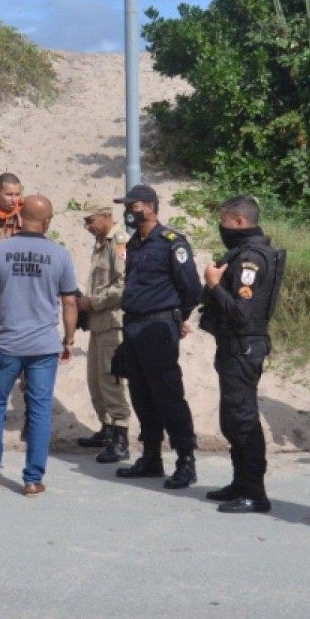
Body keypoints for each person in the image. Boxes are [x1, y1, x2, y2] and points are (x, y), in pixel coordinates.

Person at [0, 195, 78, 497]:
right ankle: (33, 480)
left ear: (19, 215)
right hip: (43, 345)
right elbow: (69, 301)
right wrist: (69, 338)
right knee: (39, 409)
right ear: (48, 221)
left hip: (8, 343)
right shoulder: (60, 255)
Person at [112, 184, 203, 490]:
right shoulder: (136, 243)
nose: (129, 211)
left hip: (159, 327)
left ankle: (185, 460)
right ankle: (151, 456)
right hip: (134, 326)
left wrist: (178, 316)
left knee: (168, 394)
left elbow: (191, 287)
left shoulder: (171, 243)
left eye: (133, 206)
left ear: (150, 207)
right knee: (140, 393)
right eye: (127, 206)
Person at [199, 195, 285, 514]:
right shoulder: (244, 253)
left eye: (223, 220)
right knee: (231, 417)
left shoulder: (251, 258)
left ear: (237, 222)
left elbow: (242, 313)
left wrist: (213, 286)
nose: (221, 227)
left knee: (243, 417)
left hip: (243, 344)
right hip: (235, 345)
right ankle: (240, 482)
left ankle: (255, 491)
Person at [75, 199, 133, 464]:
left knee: (111, 381)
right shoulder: (101, 242)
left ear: (106, 216)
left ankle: (121, 437)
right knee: (95, 379)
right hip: (99, 323)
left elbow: (124, 285)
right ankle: (107, 428)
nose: (87, 226)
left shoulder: (119, 242)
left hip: (112, 321)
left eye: (90, 220)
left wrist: (93, 302)